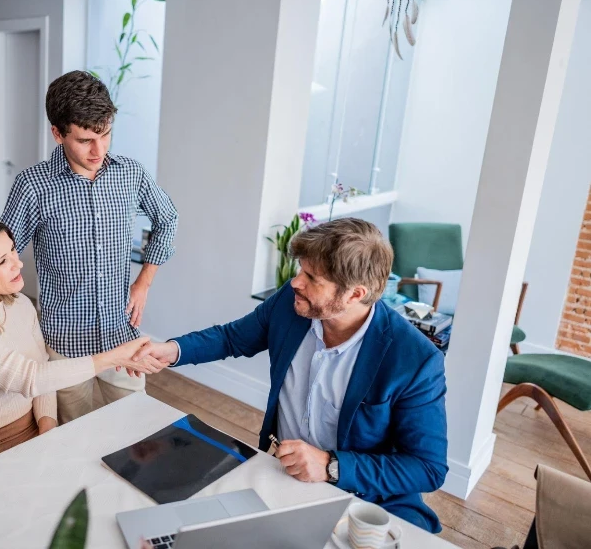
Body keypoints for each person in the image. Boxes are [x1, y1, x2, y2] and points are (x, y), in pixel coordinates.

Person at [135, 218, 448, 532]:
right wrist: (171, 350)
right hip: (281, 474)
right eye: (300, 269)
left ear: (354, 295)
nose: (296, 282)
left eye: (311, 277)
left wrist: (331, 466)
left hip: (365, 501)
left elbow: (427, 467)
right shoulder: (292, 302)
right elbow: (232, 337)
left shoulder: (415, 360)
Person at [0, 216, 166, 486]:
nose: (18, 263)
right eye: (3, 261)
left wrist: (48, 427)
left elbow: (43, 371)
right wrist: (112, 357)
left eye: (13, 250)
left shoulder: (21, 305)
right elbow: (29, 377)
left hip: (27, 437)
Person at [1, 70, 179, 423]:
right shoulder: (33, 186)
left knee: (135, 430)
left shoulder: (131, 174)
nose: (99, 150)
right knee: (74, 439)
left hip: (120, 336)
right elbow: (2, 259)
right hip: (65, 344)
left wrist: (143, 283)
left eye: (106, 134)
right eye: (85, 140)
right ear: (58, 133)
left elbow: (168, 219)